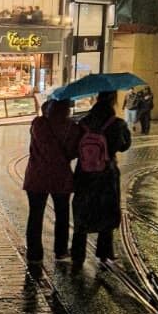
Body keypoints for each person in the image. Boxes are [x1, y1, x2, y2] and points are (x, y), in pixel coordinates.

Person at [70, 91, 132, 269]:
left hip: (84, 173)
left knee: (82, 210)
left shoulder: (83, 122)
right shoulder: (117, 123)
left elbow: (74, 146)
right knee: (106, 210)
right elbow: (125, 146)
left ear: (97, 99)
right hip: (107, 173)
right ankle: (104, 252)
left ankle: (77, 254)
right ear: (113, 100)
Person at [23, 99, 78, 263]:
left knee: (35, 215)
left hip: (36, 175)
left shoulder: (38, 124)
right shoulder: (71, 128)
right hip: (60, 176)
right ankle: (60, 250)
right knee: (62, 214)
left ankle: (34, 254)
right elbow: (73, 152)